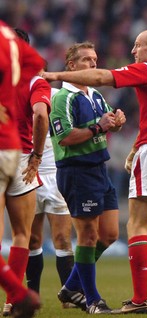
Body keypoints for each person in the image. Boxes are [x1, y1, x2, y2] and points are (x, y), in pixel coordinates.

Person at [42, 30, 147, 315]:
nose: (133, 51)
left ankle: (139, 299)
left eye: (137, 46)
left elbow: (100, 78)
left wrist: (54, 75)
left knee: (137, 226)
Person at [48, 41, 126, 314]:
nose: (93, 64)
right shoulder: (62, 97)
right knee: (88, 236)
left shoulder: (94, 94)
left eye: (95, 59)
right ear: (71, 66)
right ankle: (93, 300)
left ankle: (70, 287)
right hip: (76, 171)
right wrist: (98, 126)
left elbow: (103, 130)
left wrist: (115, 123)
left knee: (110, 234)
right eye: (86, 60)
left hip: (99, 169)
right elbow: (66, 138)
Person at [3, 27, 51, 316]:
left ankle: (16, 293)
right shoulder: (36, 79)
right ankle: (13, 299)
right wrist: (37, 154)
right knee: (22, 234)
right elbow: (41, 114)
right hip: (21, 159)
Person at [27, 89, 75, 306]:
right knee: (31, 240)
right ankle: (31, 296)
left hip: (56, 174)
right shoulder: (14, 94)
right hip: (27, 174)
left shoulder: (58, 96)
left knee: (63, 239)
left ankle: (69, 295)